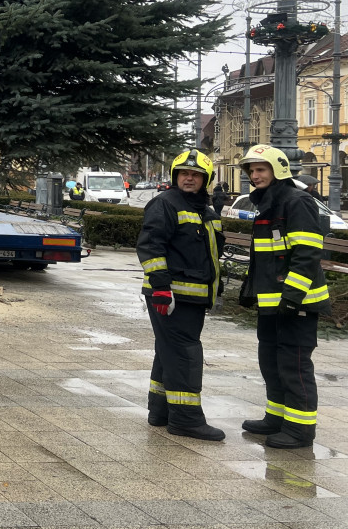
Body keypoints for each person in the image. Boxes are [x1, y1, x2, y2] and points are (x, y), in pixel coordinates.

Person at [238, 143, 329, 448]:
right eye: (251, 170)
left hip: (296, 304)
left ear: (278, 170)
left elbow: (307, 254)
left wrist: (292, 297)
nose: (254, 175)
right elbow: (266, 258)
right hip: (273, 305)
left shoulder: (296, 201)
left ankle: (300, 429)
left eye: (260, 169)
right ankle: (276, 418)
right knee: (271, 363)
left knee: (294, 366)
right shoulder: (269, 203)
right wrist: (250, 291)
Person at [135, 149, 226, 441]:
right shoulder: (165, 203)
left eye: (196, 174)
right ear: (176, 177)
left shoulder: (206, 211)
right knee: (185, 353)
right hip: (172, 296)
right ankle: (186, 420)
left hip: (191, 296)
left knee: (169, 351)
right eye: (184, 173)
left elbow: (210, 254)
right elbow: (150, 247)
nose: (189, 178)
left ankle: (160, 411)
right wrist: (161, 288)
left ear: (206, 180)